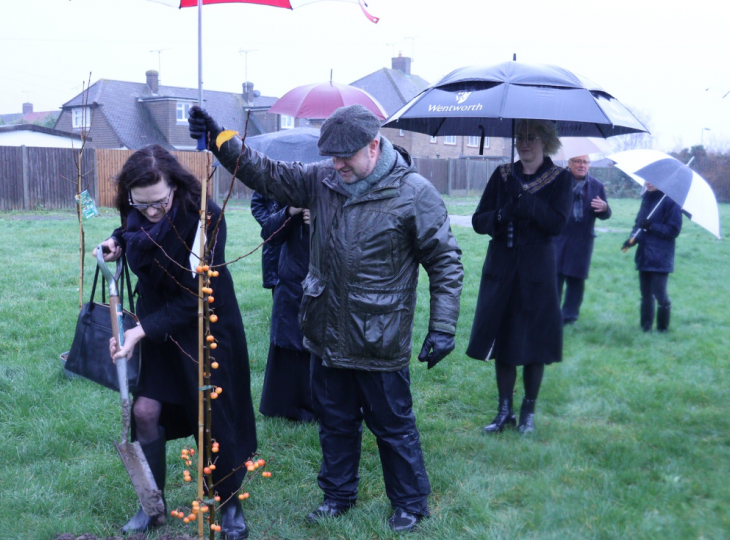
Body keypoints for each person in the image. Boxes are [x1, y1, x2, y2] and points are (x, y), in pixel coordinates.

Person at [189, 104, 463, 532]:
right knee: (334, 422)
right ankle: (337, 497)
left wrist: (443, 326)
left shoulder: (414, 192)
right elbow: (267, 173)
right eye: (331, 158)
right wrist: (223, 141)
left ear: (374, 146)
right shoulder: (323, 180)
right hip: (326, 332)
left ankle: (410, 504)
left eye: (345, 157)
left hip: (380, 338)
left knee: (393, 426)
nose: (336, 166)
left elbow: (445, 260)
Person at [94, 145, 257, 539]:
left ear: (175, 186)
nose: (151, 211)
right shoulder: (136, 205)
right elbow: (135, 229)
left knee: (213, 416)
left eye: (159, 203)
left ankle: (229, 502)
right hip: (155, 324)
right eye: (141, 204)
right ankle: (151, 505)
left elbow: (197, 295)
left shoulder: (205, 216)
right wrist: (117, 241)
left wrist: (139, 331)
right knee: (146, 411)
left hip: (204, 324)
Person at [466, 119, 575, 435]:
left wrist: (526, 203)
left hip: (537, 271)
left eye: (531, 137)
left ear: (546, 141)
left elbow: (557, 224)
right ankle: (504, 412)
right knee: (505, 340)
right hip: (501, 269)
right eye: (520, 137)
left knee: (533, 343)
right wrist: (503, 214)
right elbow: (478, 221)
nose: (524, 143)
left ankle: (527, 412)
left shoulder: (561, 179)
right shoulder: (502, 176)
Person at [255, 196, 316, 422]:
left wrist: (321, 218)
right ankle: (286, 406)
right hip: (291, 276)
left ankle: (317, 405)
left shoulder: (341, 187)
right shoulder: (287, 191)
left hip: (327, 276)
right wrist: (290, 210)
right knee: (289, 338)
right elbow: (269, 234)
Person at [554, 155, 612, 324]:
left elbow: (605, 215)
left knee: (576, 280)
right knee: (554, 278)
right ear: (569, 163)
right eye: (578, 161)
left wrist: (605, 208)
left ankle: (569, 316)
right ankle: (551, 313)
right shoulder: (557, 182)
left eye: (585, 162)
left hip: (582, 241)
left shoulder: (597, 186)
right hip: (558, 239)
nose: (582, 165)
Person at [622, 182, 682, 332]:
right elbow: (639, 224)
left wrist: (651, 226)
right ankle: (645, 327)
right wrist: (632, 240)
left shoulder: (671, 201)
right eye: (646, 180)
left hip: (660, 256)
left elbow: (673, 230)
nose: (648, 183)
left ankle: (663, 329)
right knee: (646, 295)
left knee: (660, 294)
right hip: (644, 254)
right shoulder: (647, 199)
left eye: (652, 181)